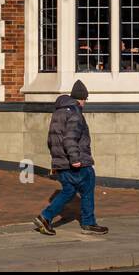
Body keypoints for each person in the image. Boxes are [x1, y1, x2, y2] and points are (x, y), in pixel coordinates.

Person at [34, 79, 107, 236]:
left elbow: (51, 140)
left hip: (61, 163)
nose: (85, 103)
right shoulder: (75, 113)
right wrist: (75, 160)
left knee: (69, 191)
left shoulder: (58, 113)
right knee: (87, 188)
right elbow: (69, 139)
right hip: (76, 162)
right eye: (85, 99)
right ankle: (88, 223)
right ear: (81, 99)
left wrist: (57, 160)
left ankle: (45, 217)